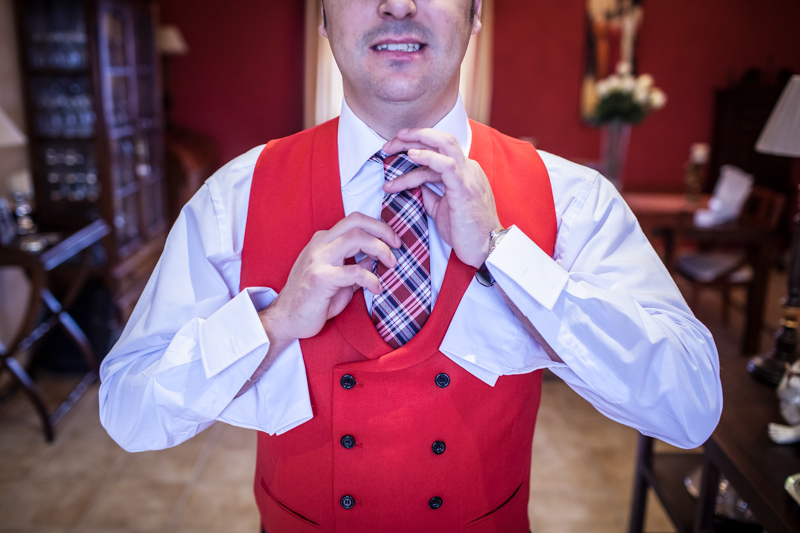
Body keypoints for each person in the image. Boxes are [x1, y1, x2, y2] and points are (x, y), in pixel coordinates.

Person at [99, 1, 721, 531]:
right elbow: (129, 411)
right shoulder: (233, 198)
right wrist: (273, 324)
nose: (397, 4)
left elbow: (690, 404)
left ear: (475, 12)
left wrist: (507, 255)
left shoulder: (571, 199)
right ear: (324, 16)